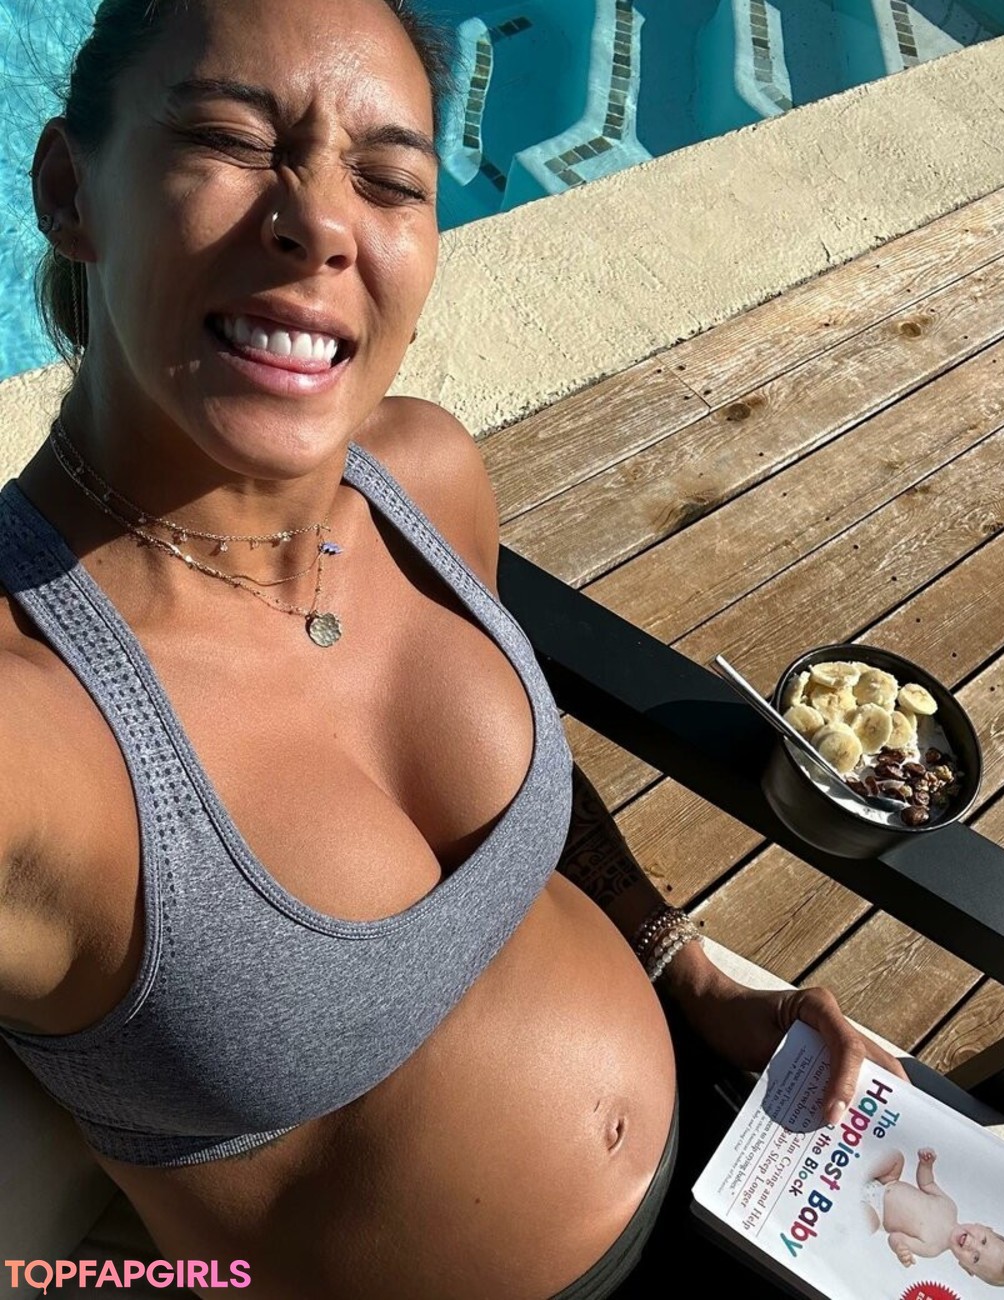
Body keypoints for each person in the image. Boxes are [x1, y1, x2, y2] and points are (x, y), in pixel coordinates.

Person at [0, 0, 906, 1295]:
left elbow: (537, 802)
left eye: (389, 180)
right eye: (231, 139)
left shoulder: (423, 478)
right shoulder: (35, 721)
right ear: (67, 190)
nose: (320, 221)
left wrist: (683, 966)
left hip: (752, 1157)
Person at [862, 1149, 1004, 1286]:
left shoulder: (932, 1248)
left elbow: (895, 1237)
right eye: (983, 1241)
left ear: (966, 1267)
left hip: (877, 1211)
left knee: (869, 1222)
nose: (973, 1245)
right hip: (888, 1181)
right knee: (896, 1158)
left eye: (975, 1258)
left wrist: (901, 1249)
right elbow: (927, 1184)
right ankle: (858, 1170)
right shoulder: (950, 1207)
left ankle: (851, 1193)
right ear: (985, 1227)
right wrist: (926, 1165)